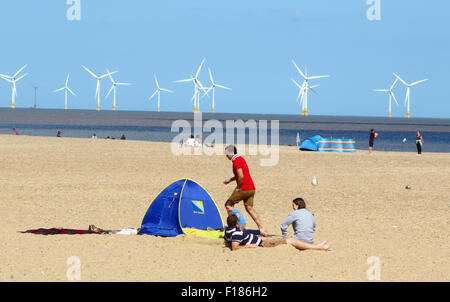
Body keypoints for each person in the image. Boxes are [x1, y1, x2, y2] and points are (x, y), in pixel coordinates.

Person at [223, 144, 266, 236]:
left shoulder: (236, 161)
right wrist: (230, 180)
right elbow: (240, 174)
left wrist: (238, 186)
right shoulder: (240, 158)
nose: (226, 156)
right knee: (249, 208)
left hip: (244, 188)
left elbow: (241, 176)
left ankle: (233, 226)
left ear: (231, 153)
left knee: (228, 205)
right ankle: (261, 228)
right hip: (251, 188)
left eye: (226, 154)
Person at [224, 215, 331, 251]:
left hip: (263, 242)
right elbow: (235, 247)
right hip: (263, 244)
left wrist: (258, 232)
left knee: (289, 240)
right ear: (237, 223)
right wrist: (249, 246)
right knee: (290, 240)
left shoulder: (228, 232)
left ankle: (316, 246)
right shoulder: (236, 234)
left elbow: (228, 243)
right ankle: (318, 247)